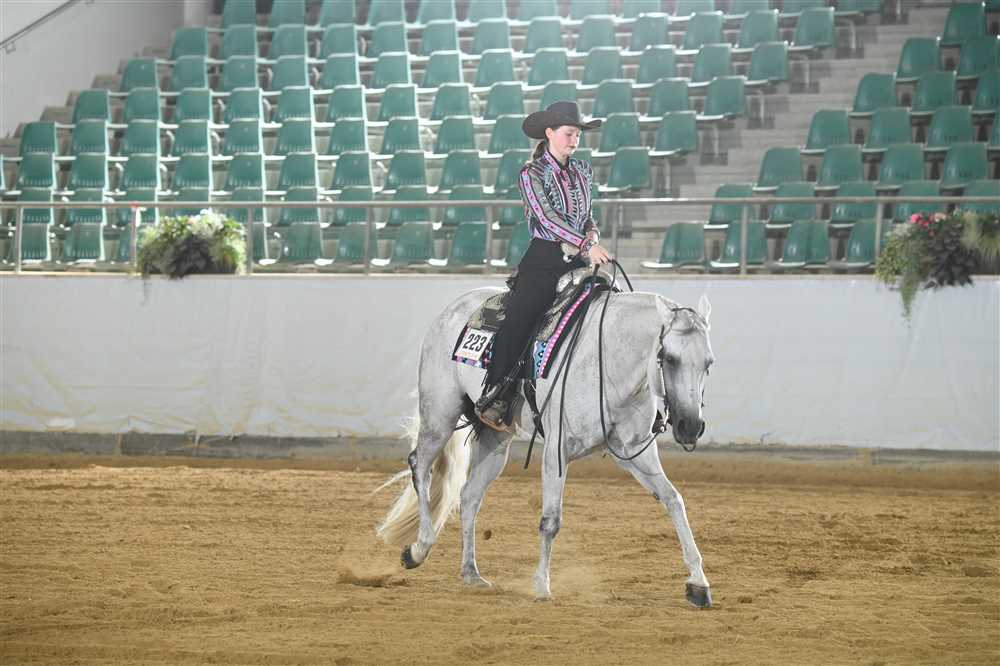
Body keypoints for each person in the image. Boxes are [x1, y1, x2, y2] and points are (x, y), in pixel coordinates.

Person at [474, 101, 613, 432]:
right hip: (544, 260)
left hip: (579, 259)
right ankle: (499, 390)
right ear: (549, 133)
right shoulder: (531, 173)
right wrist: (587, 245)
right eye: (568, 134)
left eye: (577, 134)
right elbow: (546, 219)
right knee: (523, 315)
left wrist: (592, 234)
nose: (574, 140)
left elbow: (588, 216)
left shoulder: (583, 171)